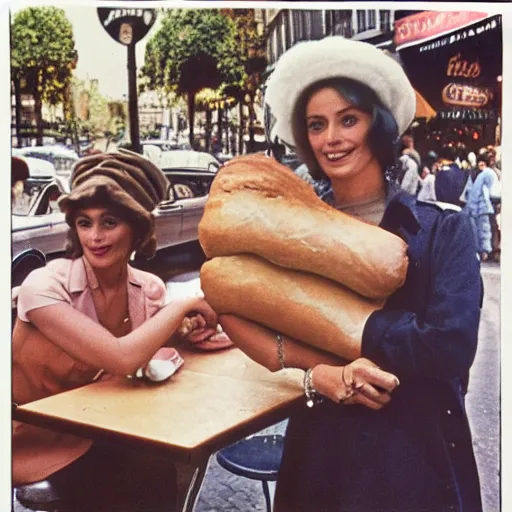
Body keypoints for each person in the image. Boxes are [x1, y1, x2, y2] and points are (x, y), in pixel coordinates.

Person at [217, 37, 483, 512]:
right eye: (316, 125)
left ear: (377, 126)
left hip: (415, 458)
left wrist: (353, 331)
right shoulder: (287, 235)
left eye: (348, 119)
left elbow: (450, 347)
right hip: (322, 452)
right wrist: (322, 375)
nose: (331, 139)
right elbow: (235, 309)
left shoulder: (444, 229)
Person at [12, 149, 218, 511]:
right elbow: (122, 358)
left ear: (137, 227)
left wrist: (184, 333)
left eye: (109, 222)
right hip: (31, 437)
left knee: (168, 459)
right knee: (141, 473)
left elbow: (145, 351)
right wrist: (182, 306)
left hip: (103, 424)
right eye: (84, 222)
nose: (95, 236)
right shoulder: (42, 287)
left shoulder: (148, 288)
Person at [463, 153, 498, 262]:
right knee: (485, 229)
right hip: (484, 206)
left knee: (480, 229)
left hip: (476, 207)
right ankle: (486, 251)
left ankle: (482, 251)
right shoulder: (487, 174)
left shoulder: (476, 175)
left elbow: (470, 192)